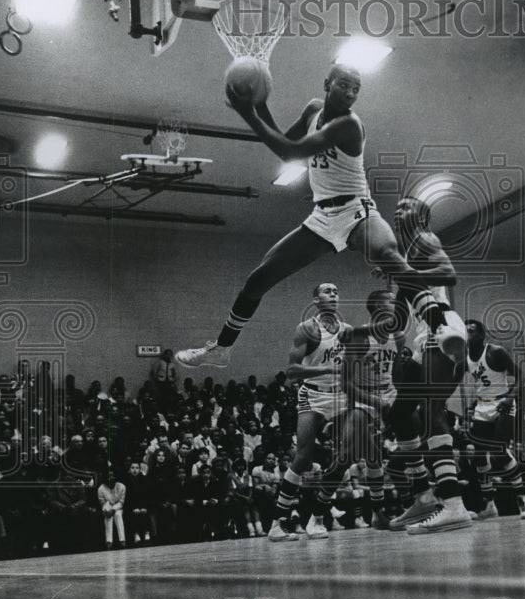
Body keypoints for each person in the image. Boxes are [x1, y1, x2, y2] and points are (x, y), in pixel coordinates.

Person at [176, 65, 453, 370]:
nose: (350, 93)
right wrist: (261, 106)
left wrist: (249, 114)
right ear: (327, 84)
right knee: (258, 279)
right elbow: (286, 148)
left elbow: (293, 151)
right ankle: (221, 350)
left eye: (356, 89)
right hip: (323, 216)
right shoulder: (313, 111)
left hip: (357, 209)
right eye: (344, 85)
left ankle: (440, 326)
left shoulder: (349, 125)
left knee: (388, 254)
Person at [385, 196, 472, 534]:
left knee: (432, 411)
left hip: (441, 327)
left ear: (421, 216)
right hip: (421, 340)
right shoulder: (405, 254)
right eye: (396, 208)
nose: (398, 211)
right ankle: (423, 496)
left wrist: (403, 273)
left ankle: (454, 505)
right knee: (399, 414)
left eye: (405, 207)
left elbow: (448, 274)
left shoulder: (425, 238)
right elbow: (400, 311)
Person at [308, 288, 403, 534]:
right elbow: (347, 385)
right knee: (346, 459)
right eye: (392, 301)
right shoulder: (359, 339)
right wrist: (377, 403)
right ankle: (316, 516)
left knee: (376, 455)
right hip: (362, 398)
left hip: (388, 394)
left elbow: (397, 375)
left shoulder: (398, 335)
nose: (397, 305)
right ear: (379, 307)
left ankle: (383, 513)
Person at [267, 283, 349, 542]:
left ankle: (318, 516)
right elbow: (292, 371)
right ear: (315, 299)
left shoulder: (347, 331)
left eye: (336, 291)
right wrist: (328, 370)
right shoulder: (307, 329)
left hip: (340, 395)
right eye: (327, 291)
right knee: (302, 457)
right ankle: (278, 523)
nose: (333, 294)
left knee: (347, 455)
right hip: (312, 394)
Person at [464, 318, 525, 520]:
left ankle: (522, 499)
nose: (467, 334)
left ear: (481, 335)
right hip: (482, 406)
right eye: (465, 331)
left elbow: (521, 376)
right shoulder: (465, 357)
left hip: (503, 402)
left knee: (499, 452)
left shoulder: (496, 351)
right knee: (478, 456)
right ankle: (489, 505)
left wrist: (510, 397)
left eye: (471, 331)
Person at [97, 468, 127, 550]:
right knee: (108, 517)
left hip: (118, 508)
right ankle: (109, 541)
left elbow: (121, 502)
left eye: (112, 475)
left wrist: (113, 509)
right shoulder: (101, 489)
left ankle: (122, 540)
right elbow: (102, 503)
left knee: (118, 515)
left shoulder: (122, 486)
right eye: (108, 476)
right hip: (107, 508)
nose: (111, 478)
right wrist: (108, 510)